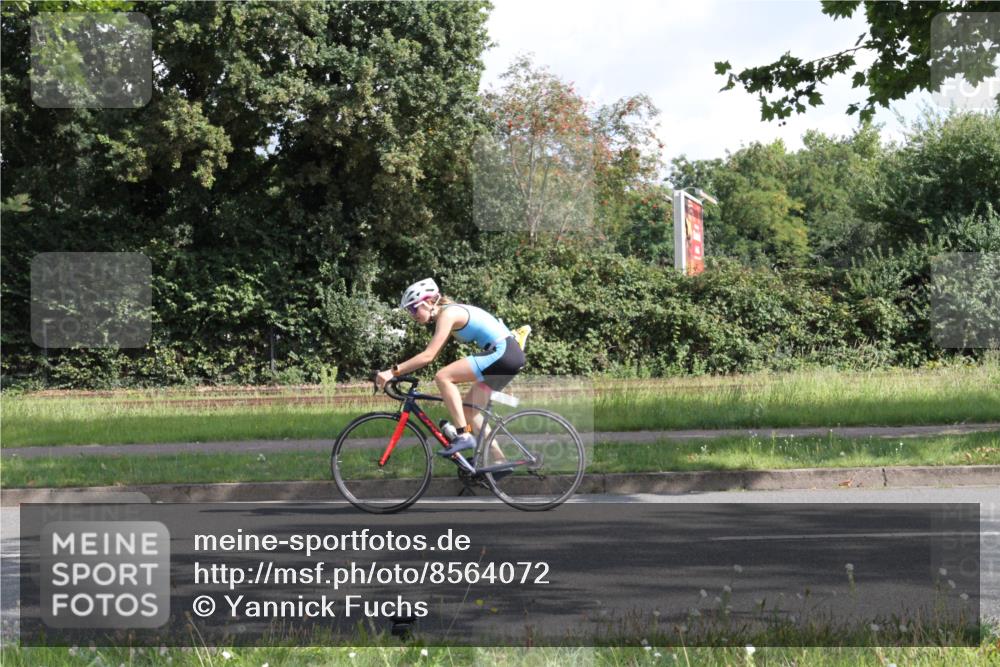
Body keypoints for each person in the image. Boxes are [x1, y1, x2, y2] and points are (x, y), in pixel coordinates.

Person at [375, 278, 525, 458]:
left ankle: (463, 434)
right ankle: (499, 461)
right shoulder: (448, 314)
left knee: (443, 376)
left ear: (429, 302)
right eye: (409, 310)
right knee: (470, 410)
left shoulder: (448, 314)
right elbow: (431, 355)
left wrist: (392, 372)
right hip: (508, 357)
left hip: (503, 353)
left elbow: (428, 356)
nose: (412, 314)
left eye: (414, 308)